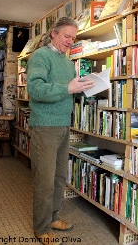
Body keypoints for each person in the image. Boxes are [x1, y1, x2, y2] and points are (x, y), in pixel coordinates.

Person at [26, 17, 94, 245]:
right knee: (44, 179)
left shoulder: (67, 62)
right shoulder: (40, 56)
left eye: (73, 38)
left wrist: (83, 87)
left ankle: (53, 217)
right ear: (53, 33)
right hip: (45, 125)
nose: (70, 41)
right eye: (67, 36)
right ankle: (42, 228)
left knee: (59, 177)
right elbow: (35, 89)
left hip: (64, 124)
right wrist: (67, 87)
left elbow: (67, 91)